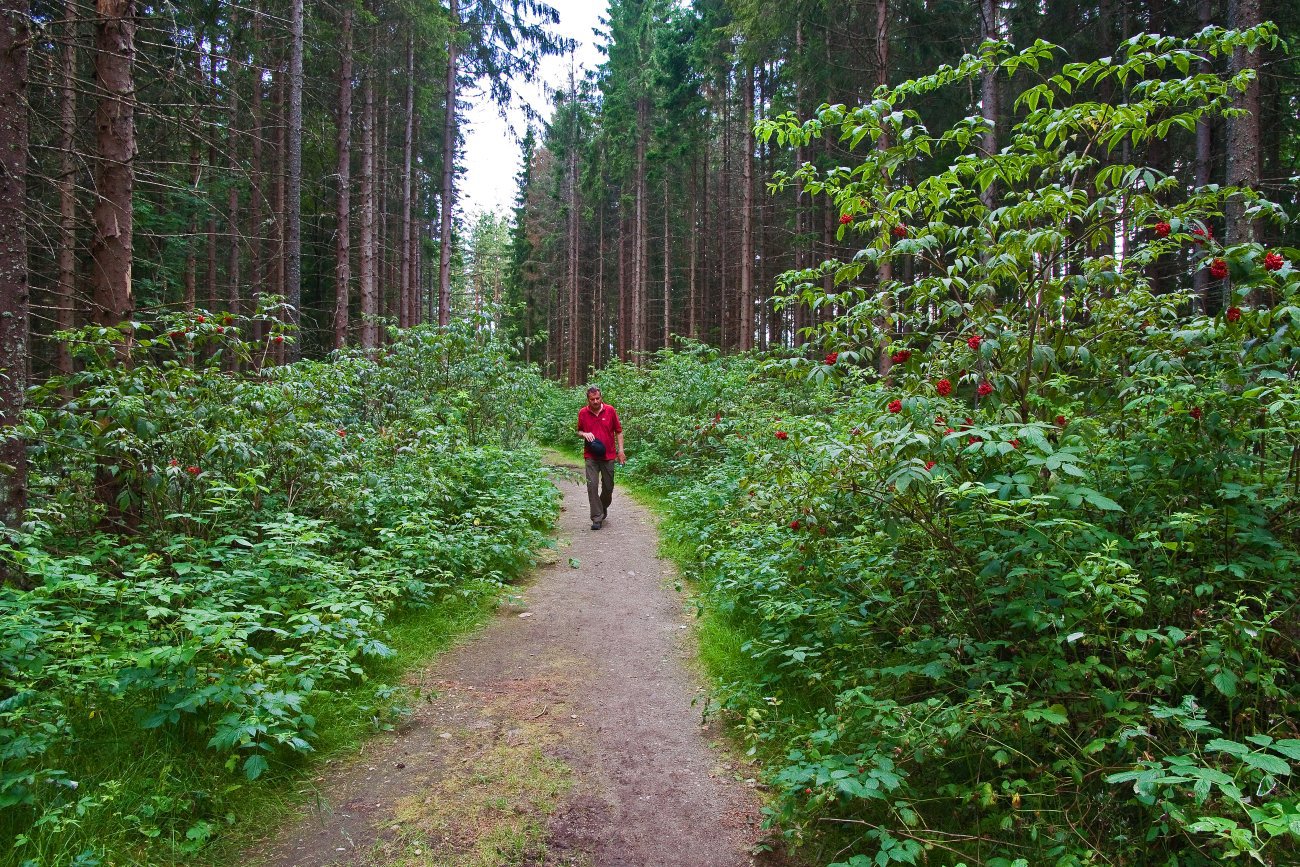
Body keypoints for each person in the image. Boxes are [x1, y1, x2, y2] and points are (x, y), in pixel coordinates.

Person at [576, 386, 624, 530]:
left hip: (608, 455)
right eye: (592, 399)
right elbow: (579, 430)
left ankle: (602, 507)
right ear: (588, 400)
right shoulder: (583, 413)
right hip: (591, 456)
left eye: (598, 398)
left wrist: (621, 451)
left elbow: (619, 432)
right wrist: (584, 434)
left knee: (608, 487)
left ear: (601, 397)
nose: (595, 401)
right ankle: (597, 518)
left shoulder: (610, 410)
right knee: (592, 486)